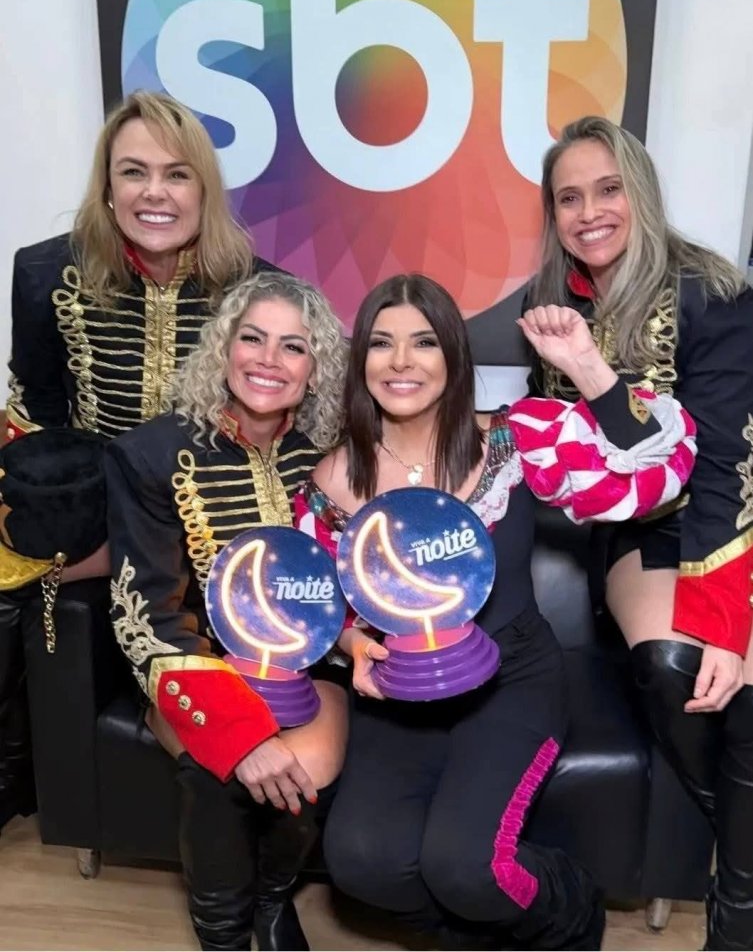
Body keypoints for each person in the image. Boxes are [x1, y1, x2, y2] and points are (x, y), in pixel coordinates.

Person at [297, 273, 696, 950]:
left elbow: (656, 470)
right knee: (362, 863)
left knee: (467, 869)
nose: (401, 361)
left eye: (424, 342)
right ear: (359, 358)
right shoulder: (331, 481)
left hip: (511, 681)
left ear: (453, 355)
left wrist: (584, 365)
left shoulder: (514, 440)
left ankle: (572, 912)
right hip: (401, 695)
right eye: (382, 343)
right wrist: (355, 647)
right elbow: (327, 606)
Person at [1, 90, 274, 837]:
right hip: (93, 516)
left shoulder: (258, 286)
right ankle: (15, 779)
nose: (155, 192)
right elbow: (36, 418)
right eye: (134, 172)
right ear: (107, 186)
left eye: (176, 174)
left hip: (208, 521)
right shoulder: (43, 272)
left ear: (204, 189)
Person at [524, 114, 753, 951]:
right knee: (670, 664)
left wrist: (726, 620)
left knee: (738, 682)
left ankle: (735, 913)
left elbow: (723, 463)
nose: (589, 213)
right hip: (639, 533)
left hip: (732, 516)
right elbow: (578, 457)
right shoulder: (547, 307)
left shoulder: (713, 294)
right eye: (568, 198)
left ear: (641, 193)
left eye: (607, 189)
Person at [106, 272, 348, 951]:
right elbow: (146, 616)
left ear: (315, 368)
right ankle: (222, 937)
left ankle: (270, 901)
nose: (269, 360)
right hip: (196, 663)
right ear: (223, 347)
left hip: (312, 665)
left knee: (300, 772)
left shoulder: (333, 452)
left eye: (293, 347)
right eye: (253, 339)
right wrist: (241, 734)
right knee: (220, 766)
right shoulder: (149, 454)